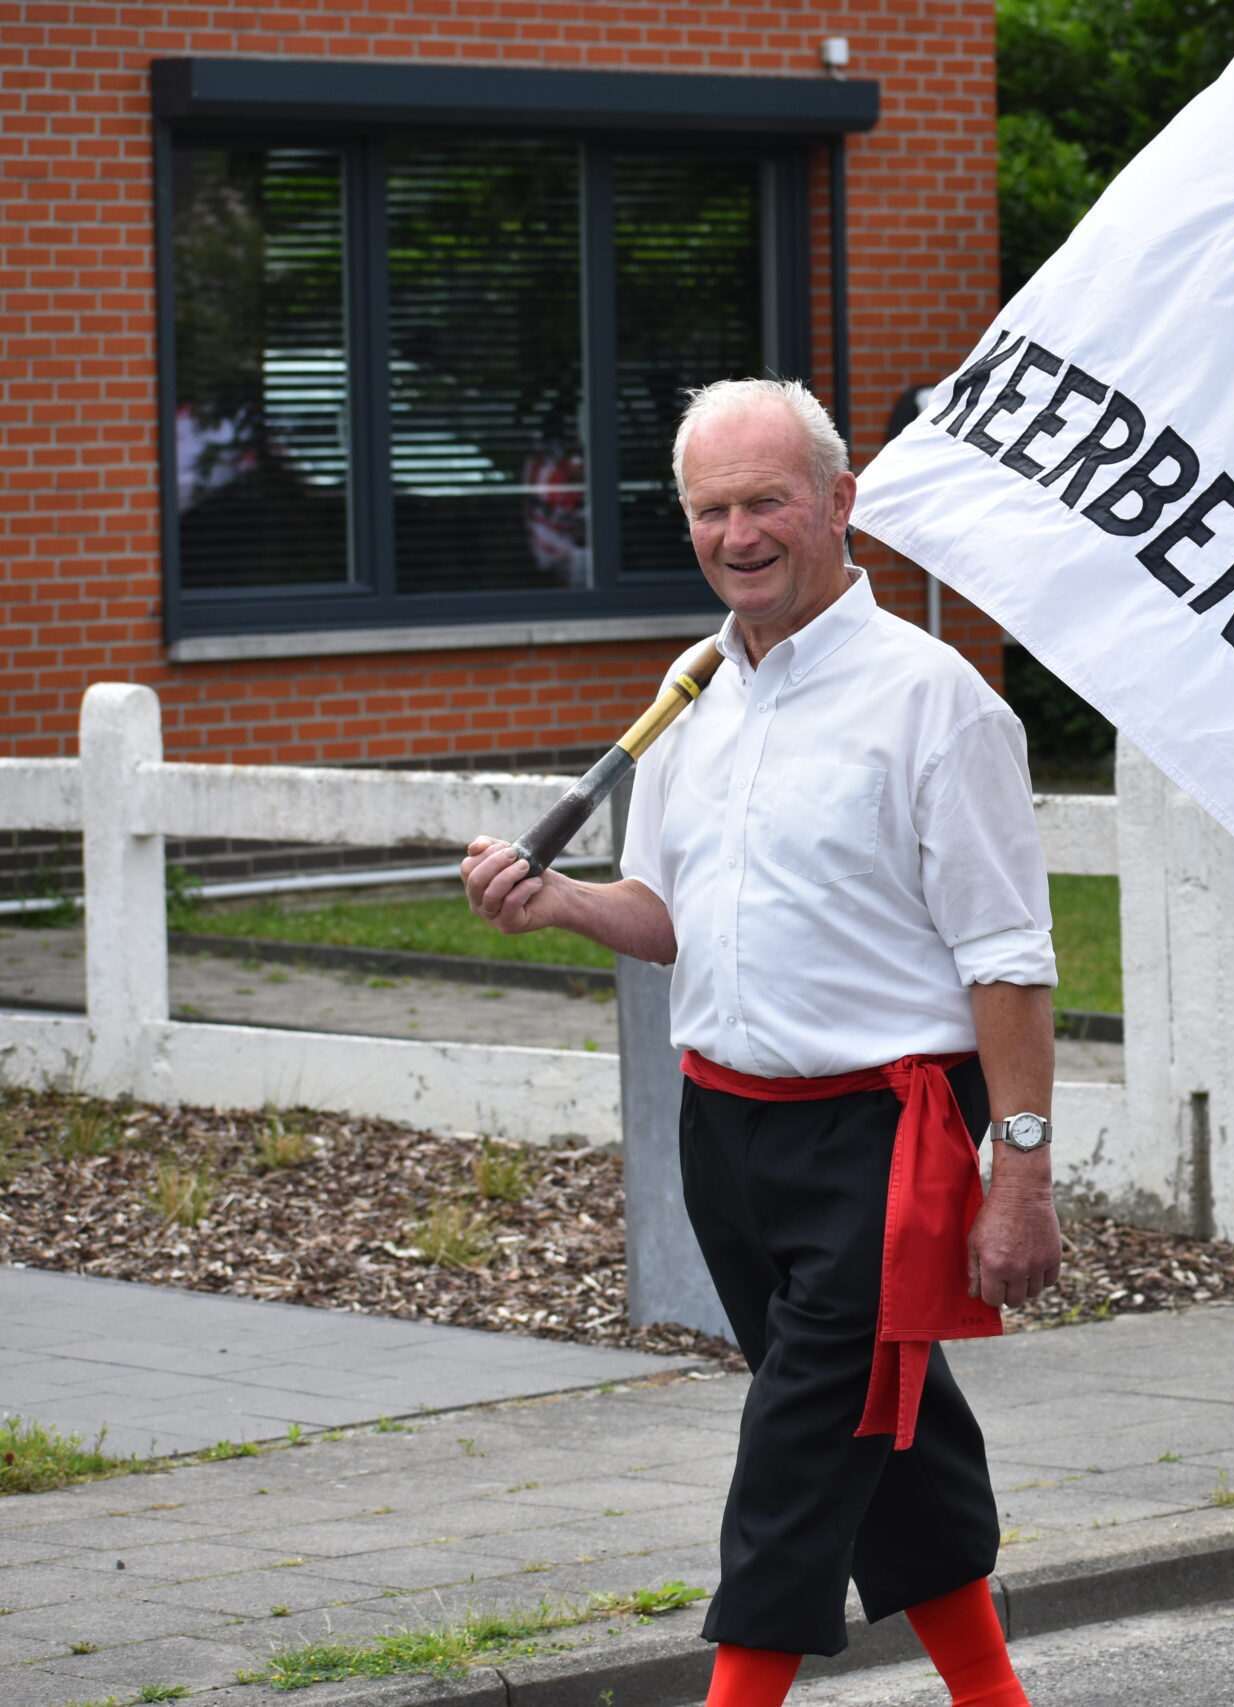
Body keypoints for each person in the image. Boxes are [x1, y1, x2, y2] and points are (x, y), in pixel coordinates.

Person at [459, 377, 1059, 1707]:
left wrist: (1020, 1172)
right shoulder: (690, 692)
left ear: (839, 502)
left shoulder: (938, 703)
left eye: (766, 502)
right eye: (711, 509)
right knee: (883, 1436)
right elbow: (668, 914)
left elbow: (1008, 961)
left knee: (797, 1450)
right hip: (723, 1132)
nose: (738, 534)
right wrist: (560, 901)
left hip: (882, 1141)